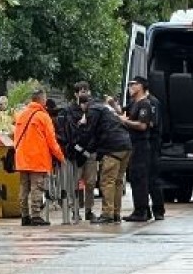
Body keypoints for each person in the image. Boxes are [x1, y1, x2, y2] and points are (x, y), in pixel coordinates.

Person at [76, 93, 132, 224]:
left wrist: (82, 126)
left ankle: (107, 214)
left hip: (112, 148)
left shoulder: (92, 110)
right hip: (126, 145)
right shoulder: (105, 108)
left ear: (83, 104)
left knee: (107, 181)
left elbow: (91, 133)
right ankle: (116, 213)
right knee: (117, 182)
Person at [13, 90, 65, 227]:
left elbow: (16, 137)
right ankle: (36, 215)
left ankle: (24, 216)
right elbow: (51, 141)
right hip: (37, 159)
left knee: (24, 188)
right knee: (37, 188)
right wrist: (60, 156)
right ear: (41, 100)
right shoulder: (43, 116)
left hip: (21, 159)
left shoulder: (20, 115)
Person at [60, 81, 98, 221]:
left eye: (86, 90)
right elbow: (68, 132)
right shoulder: (69, 111)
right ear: (76, 94)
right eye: (81, 91)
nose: (84, 93)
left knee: (91, 182)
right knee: (74, 183)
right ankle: (74, 210)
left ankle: (89, 210)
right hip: (75, 153)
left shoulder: (95, 109)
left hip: (91, 151)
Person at [118, 76, 153, 222]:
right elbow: (123, 113)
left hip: (141, 145)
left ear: (141, 86)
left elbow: (142, 125)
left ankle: (141, 211)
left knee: (139, 178)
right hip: (133, 144)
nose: (130, 87)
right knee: (134, 177)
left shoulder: (144, 104)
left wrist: (126, 121)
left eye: (133, 85)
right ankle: (144, 209)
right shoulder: (134, 103)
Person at [145, 88, 165, 220]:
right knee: (143, 180)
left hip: (152, 143)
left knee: (152, 179)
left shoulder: (152, 102)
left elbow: (152, 123)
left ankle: (158, 210)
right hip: (144, 144)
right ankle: (145, 210)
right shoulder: (140, 102)